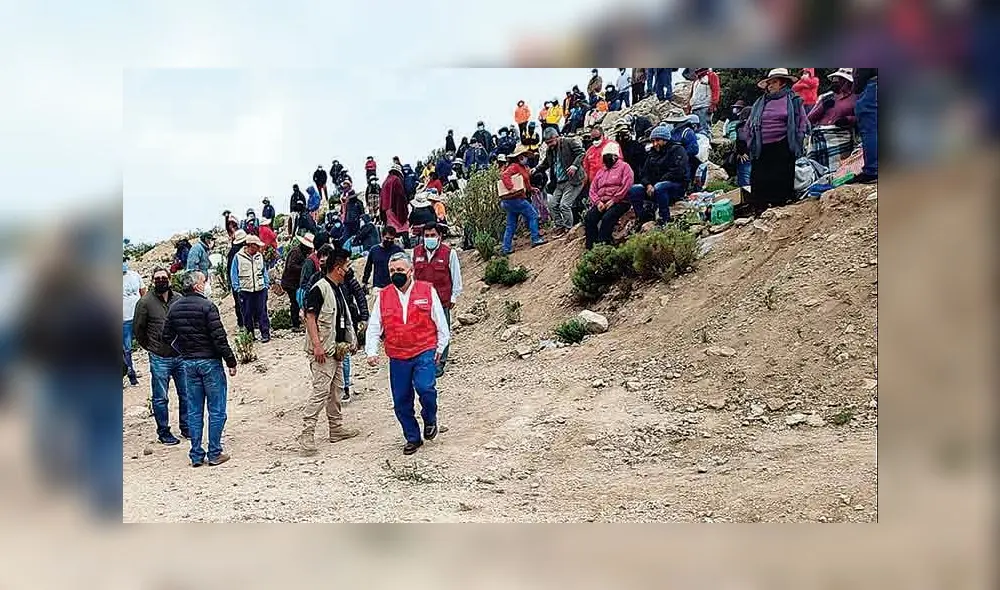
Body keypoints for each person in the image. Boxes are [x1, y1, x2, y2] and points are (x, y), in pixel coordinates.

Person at [365, 252, 450, 455]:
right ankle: (412, 437)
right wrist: (371, 350)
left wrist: (440, 347)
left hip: (424, 350)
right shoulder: (384, 295)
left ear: (411, 271)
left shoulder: (427, 291)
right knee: (401, 400)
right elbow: (375, 325)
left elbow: (440, 321)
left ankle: (430, 417)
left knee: (426, 387)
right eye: (392, 271)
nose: (396, 274)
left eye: (400, 270)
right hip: (397, 355)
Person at [162, 270, 237, 467]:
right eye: (204, 281)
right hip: (210, 362)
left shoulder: (174, 308)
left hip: (188, 363)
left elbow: (166, 336)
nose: (206, 284)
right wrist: (230, 361)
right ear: (197, 285)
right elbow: (219, 338)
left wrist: (183, 349)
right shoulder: (208, 306)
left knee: (194, 410)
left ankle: (196, 454)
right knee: (217, 409)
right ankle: (214, 452)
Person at [296, 248, 363, 453]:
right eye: (347, 266)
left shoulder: (337, 288)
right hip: (323, 351)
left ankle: (336, 428)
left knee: (336, 391)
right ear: (338, 268)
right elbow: (310, 318)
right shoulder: (320, 289)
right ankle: (306, 435)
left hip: (336, 350)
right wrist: (317, 345)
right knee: (321, 391)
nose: (348, 270)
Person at [133, 267, 189, 445]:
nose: (161, 281)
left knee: (186, 393)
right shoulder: (145, 302)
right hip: (159, 357)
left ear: (170, 279)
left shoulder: (179, 299)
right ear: (152, 281)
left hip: (180, 356)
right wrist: (150, 347)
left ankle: (186, 427)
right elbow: (138, 329)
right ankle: (164, 432)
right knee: (160, 397)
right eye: (157, 278)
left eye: (164, 278)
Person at [747, 68, 809, 216]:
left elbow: (802, 121)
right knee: (760, 176)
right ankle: (760, 207)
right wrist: (748, 140)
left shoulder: (793, 100)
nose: (770, 86)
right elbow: (750, 123)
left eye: (773, 82)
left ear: (783, 83)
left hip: (783, 143)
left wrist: (799, 140)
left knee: (781, 174)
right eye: (769, 83)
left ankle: (780, 204)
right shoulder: (760, 102)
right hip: (762, 146)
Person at [627, 125, 689, 225]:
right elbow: (644, 173)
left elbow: (678, 171)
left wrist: (658, 183)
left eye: (658, 140)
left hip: (675, 187)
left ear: (665, 140)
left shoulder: (677, 150)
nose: (655, 144)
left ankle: (665, 219)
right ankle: (642, 217)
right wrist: (648, 185)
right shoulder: (652, 154)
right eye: (653, 141)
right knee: (634, 189)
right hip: (654, 188)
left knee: (660, 187)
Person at [533, 127, 585, 237]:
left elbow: (581, 153)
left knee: (564, 205)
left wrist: (574, 166)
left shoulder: (569, 142)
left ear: (557, 137)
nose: (550, 145)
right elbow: (546, 164)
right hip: (560, 182)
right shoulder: (550, 151)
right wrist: (536, 169)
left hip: (573, 180)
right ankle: (560, 227)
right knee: (552, 205)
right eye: (547, 143)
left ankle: (569, 230)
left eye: (551, 142)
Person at [585, 142, 634, 249]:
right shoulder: (601, 171)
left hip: (620, 201)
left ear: (615, 156)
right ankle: (590, 248)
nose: (606, 159)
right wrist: (597, 202)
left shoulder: (625, 167)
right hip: (602, 202)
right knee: (589, 218)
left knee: (608, 218)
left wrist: (614, 199)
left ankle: (602, 245)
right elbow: (593, 188)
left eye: (608, 156)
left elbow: (627, 184)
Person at [807, 68, 858, 172]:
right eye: (835, 79)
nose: (835, 81)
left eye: (838, 79)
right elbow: (810, 118)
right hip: (820, 134)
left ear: (847, 81)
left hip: (840, 136)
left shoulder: (856, 97)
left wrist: (848, 120)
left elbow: (861, 117)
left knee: (836, 169)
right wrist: (822, 107)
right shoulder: (827, 96)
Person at [500, 144, 547, 255]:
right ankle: (535, 238)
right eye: (523, 155)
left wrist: (531, 189)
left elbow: (524, 183)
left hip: (509, 201)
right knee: (533, 215)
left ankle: (506, 248)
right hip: (516, 199)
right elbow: (504, 176)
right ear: (518, 157)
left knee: (511, 224)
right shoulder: (515, 167)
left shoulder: (522, 168)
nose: (524, 158)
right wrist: (511, 188)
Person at [230, 235, 271, 343]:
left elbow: (264, 270)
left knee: (262, 312)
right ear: (250, 246)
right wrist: (237, 288)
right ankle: (250, 335)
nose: (258, 248)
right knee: (247, 313)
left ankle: (265, 333)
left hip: (260, 289)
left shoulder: (259, 256)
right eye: (256, 246)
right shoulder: (238, 257)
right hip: (245, 290)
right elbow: (234, 273)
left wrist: (266, 284)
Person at [280, 232, 314, 333]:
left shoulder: (301, 252)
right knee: (294, 303)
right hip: (290, 283)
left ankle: (297, 322)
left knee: (296, 302)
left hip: (294, 283)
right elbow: (291, 266)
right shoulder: (296, 252)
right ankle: (295, 324)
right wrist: (303, 268)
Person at [851, 68, 878, 184]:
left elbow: (862, 74)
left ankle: (873, 170)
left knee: (870, 128)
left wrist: (856, 88)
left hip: (874, 86)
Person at [122, 259, 145, 387]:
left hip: (138, 317)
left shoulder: (135, 275)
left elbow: (143, 292)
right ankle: (130, 374)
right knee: (127, 349)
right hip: (123, 320)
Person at [363, 225, 404, 290]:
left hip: (394, 285)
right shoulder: (374, 250)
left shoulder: (398, 250)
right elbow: (368, 267)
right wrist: (365, 281)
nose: (389, 241)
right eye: (387, 238)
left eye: (391, 239)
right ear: (382, 236)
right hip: (378, 286)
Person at [380, 163, 410, 238]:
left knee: (392, 229)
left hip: (387, 210)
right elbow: (400, 197)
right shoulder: (396, 180)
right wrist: (404, 211)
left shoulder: (385, 182)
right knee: (402, 227)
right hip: (396, 209)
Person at [226, 230, 247, 328]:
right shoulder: (238, 252)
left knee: (239, 303)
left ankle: (241, 323)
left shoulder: (232, 251)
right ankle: (243, 322)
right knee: (242, 302)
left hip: (235, 281)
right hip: (239, 281)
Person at [185, 232, 214, 296]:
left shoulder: (205, 249)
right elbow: (192, 266)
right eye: (209, 239)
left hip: (203, 282)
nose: (211, 241)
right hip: (197, 284)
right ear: (205, 239)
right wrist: (196, 283)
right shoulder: (197, 248)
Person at [688, 68, 713, 136]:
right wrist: (689, 107)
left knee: (705, 128)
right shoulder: (696, 81)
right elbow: (692, 95)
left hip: (704, 106)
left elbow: (715, 90)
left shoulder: (711, 76)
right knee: (695, 128)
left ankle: (707, 143)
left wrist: (713, 105)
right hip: (694, 107)